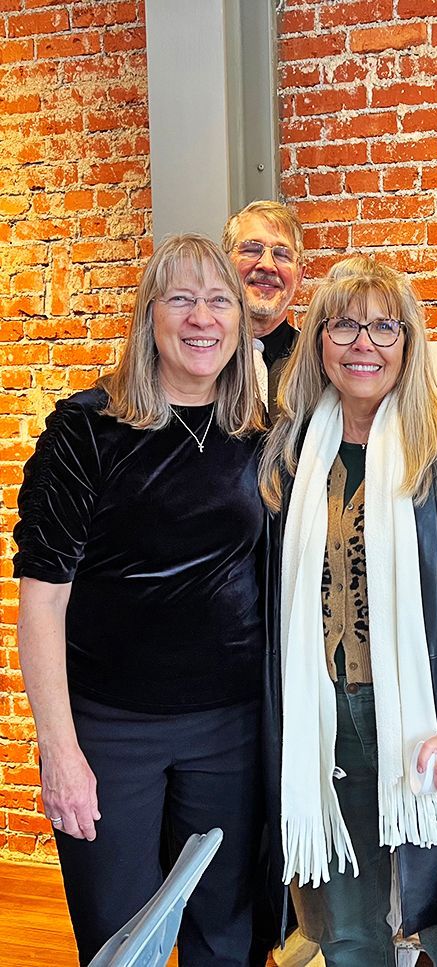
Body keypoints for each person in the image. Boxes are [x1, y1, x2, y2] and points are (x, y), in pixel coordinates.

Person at [259, 255, 437, 965]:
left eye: (385, 325)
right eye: (344, 323)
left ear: (408, 342)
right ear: (318, 338)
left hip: (429, 722)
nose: (364, 343)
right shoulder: (288, 447)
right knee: (348, 928)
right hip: (323, 722)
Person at [14, 234, 267, 965]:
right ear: (148, 315)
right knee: (122, 939)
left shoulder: (259, 434)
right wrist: (59, 749)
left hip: (231, 727)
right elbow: (41, 602)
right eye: (181, 298)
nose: (201, 317)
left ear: (239, 321)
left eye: (219, 300)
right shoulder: (85, 430)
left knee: (226, 933)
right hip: (111, 732)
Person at [223, 200, 306, 416]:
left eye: (282, 254)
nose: (267, 265)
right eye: (251, 249)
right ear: (224, 264)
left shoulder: (320, 364)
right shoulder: (195, 361)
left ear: (299, 275)